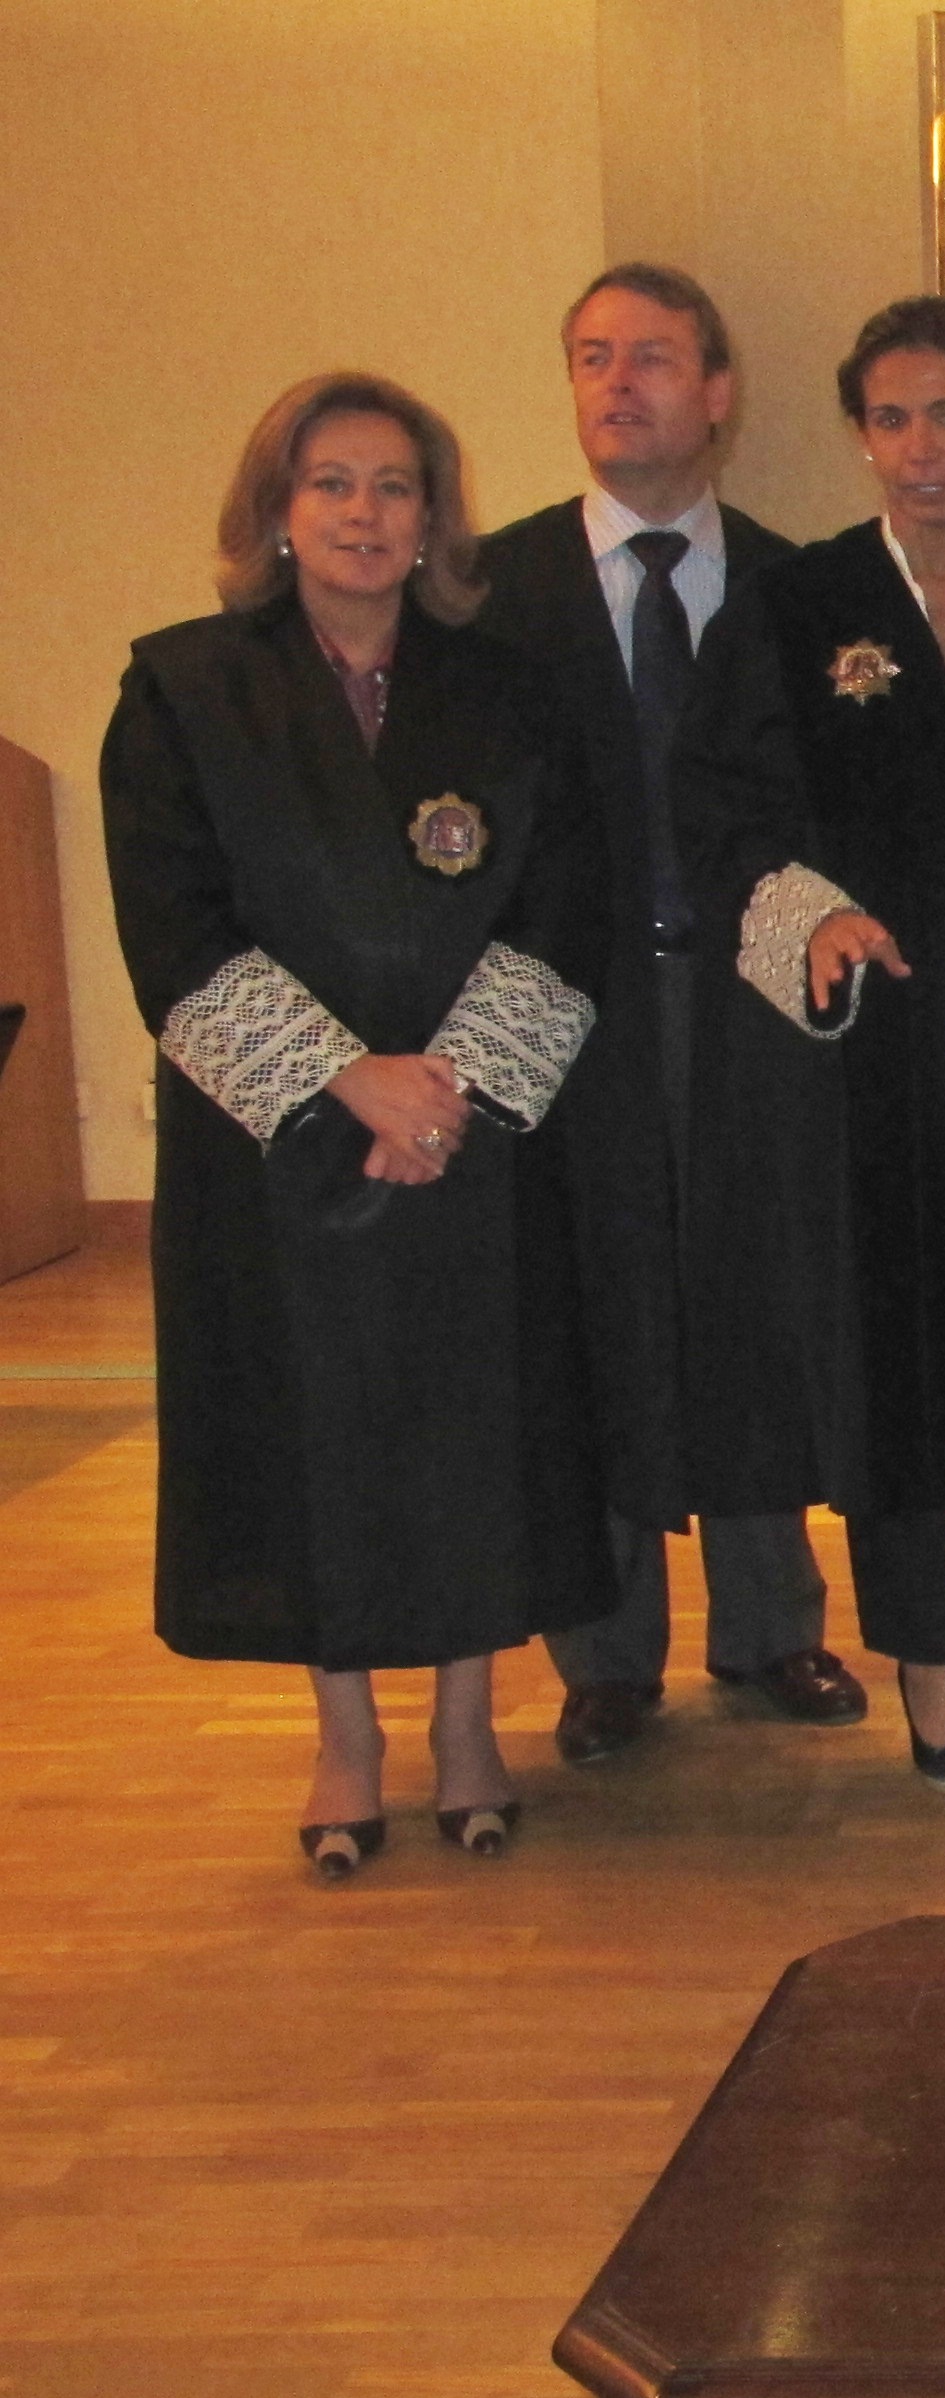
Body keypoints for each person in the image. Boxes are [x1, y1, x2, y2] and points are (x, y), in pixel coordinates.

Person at [99, 373, 611, 1877]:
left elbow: (562, 907)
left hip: (469, 1133)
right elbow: (173, 927)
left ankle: (467, 1724)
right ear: (276, 508)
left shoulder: (509, 691)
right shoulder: (185, 689)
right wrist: (348, 1079)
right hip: (281, 1144)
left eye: (395, 486)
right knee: (311, 1433)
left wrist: (445, 1088)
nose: (364, 514)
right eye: (331, 483)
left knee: (470, 1431)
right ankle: (345, 1737)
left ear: (434, 518)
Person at [674, 297, 945, 1798]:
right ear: (860, 436)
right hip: (880, 1066)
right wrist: (814, 913)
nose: (923, 450)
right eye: (893, 420)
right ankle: (930, 1663)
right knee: (894, 1373)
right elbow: (724, 817)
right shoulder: (794, 608)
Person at [478, 266, 854, 1762]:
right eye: (592, 357)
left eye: (651, 357)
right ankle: (606, 1650)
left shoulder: (797, 588)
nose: (618, 382)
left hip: (750, 1002)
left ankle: (774, 1628)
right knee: (597, 1307)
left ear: (718, 391)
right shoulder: (489, 592)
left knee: (753, 1303)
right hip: (565, 1008)